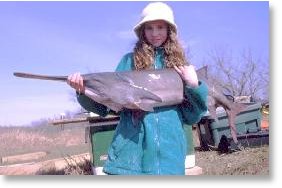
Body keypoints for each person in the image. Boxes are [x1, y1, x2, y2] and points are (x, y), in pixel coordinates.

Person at [67, 2, 208, 175]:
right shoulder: (128, 61)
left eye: (160, 27)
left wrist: (194, 86)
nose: (155, 33)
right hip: (131, 155)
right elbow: (108, 107)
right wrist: (82, 91)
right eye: (149, 28)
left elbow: (192, 116)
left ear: (169, 30)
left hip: (169, 158)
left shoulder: (181, 67)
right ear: (142, 31)